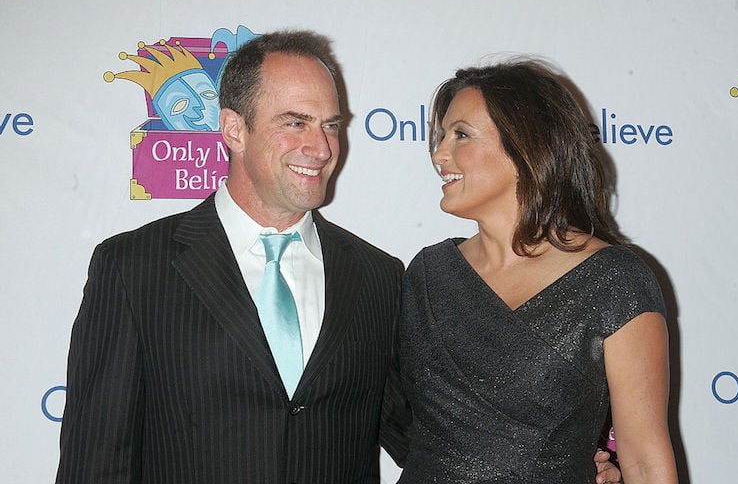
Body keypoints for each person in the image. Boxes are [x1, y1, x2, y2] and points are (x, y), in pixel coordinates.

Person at [56, 29, 620, 483]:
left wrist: (548, 461)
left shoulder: (377, 277)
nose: (321, 147)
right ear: (233, 129)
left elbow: (422, 432)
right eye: (295, 123)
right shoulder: (134, 267)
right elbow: (94, 460)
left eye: (330, 125)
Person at [398, 59, 678, 483]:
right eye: (441, 136)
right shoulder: (427, 274)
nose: (439, 154)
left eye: (461, 135)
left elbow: (644, 459)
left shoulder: (612, 280)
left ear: (525, 146)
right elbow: (392, 415)